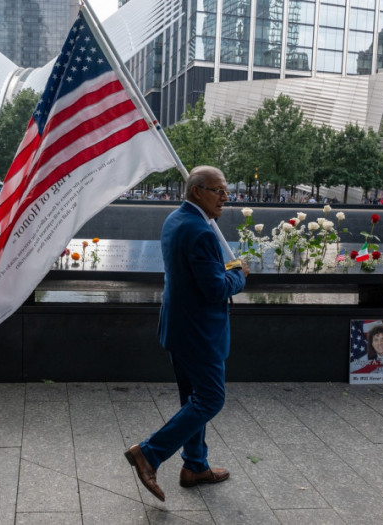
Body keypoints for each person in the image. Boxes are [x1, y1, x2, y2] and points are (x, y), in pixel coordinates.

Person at [124, 165, 248, 502]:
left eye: (226, 190)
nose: (226, 197)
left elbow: (196, 277)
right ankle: (149, 453)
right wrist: (239, 274)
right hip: (200, 334)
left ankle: (194, 466)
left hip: (178, 328)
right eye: (218, 190)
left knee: (192, 398)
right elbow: (214, 289)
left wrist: (223, 272)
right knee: (210, 398)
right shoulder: (202, 232)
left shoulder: (175, 220)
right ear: (197, 191)